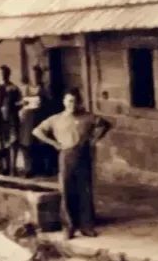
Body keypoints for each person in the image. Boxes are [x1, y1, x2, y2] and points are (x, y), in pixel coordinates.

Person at [32, 87, 112, 240]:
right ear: (64, 102)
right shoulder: (56, 119)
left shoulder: (88, 117)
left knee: (85, 190)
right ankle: (68, 227)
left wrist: (94, 140)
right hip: (66, 155)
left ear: (79, 102)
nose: (72, 105)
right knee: (67, 190)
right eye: (69, 101)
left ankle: (86, 226)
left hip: (84, 155)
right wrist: (54, 144)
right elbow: (37, 131)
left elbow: (105, 124)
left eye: (75, 101)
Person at [18, 65, 52, 177]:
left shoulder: (44, 89)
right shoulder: (25, 89)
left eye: (37, 75)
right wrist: (22, 105)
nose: (35, 77)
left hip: (40, 118)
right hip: (28, 119)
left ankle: (41, 168)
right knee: (27, 143)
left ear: (40, 76)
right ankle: (29, 168)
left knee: (41, 142)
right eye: (33, 75)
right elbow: (19, 103)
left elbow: (49, 103)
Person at [0, 65, 22, 176]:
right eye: (1, 73)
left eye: (5, 73)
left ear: (8, 74)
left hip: (12, 117)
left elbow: (19, 102)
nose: (3, 76)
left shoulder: (14, 88)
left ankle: (13, 168)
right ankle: (3, 167)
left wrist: (15, 106)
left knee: (13, 141)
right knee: (1, 143)